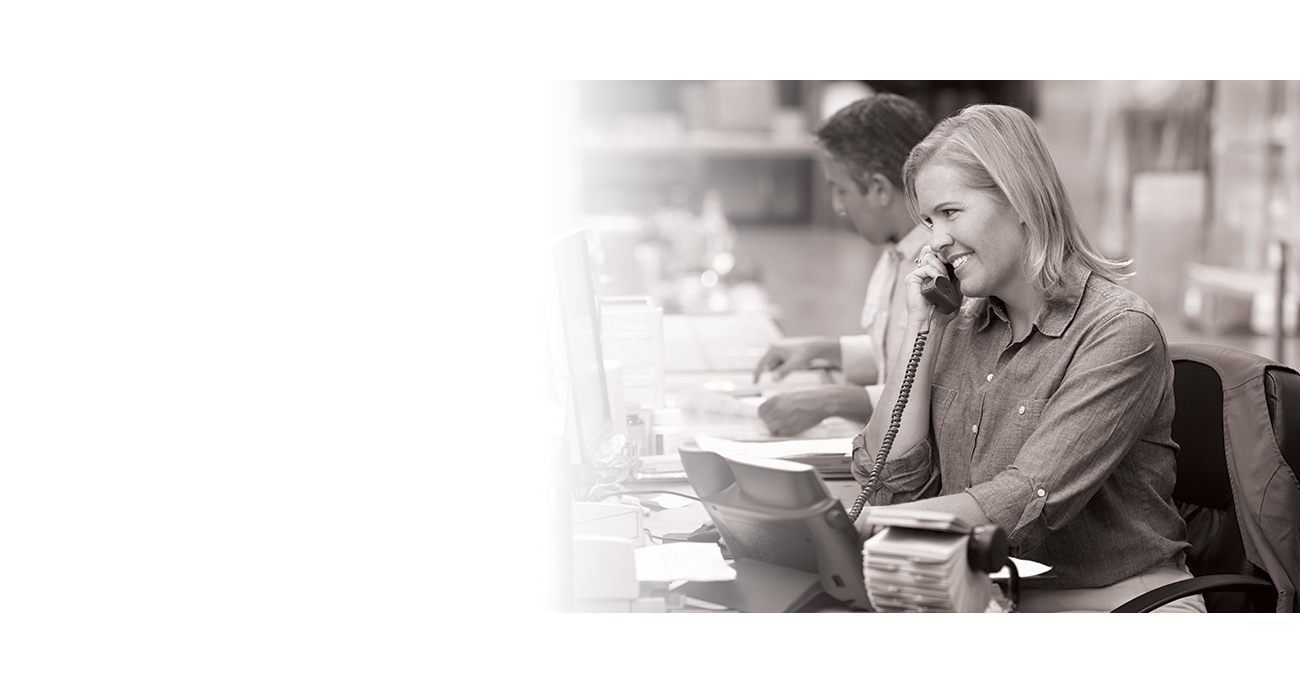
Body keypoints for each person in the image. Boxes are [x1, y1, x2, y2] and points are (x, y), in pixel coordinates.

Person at [850, 103, 1205, 613]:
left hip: (1118, 601)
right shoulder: (961, 324)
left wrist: (868, 525)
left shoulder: (1117, 330)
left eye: (951, 213)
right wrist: (921, 331)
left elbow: (1024, 499)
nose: (936, 242)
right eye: (929, 221)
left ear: (1020, 199)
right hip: (989, 590)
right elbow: (891, 485)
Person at [752, 94, 934, 437]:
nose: (837, 206)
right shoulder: (895, 252)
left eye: (840, 190)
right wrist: (824, 350)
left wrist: (830, 401)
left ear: (879, 188)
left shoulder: (940, 269)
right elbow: (901, 356)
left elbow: (936, 392)